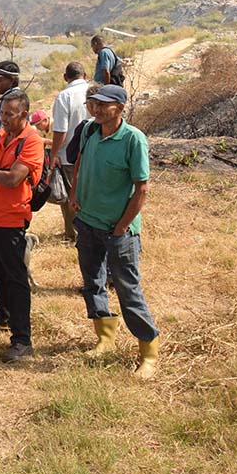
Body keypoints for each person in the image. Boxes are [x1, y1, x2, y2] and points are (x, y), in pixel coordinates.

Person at [70, 84, 160, 378]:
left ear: (120, 108)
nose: (97, 109)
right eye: (94, 103)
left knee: (127, 288)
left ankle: (148, 352)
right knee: (92, 282)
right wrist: (74, 193)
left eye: (104, 105)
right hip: (88, 223)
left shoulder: (133, 139)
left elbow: (142, 188)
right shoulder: (89, 131)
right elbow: (80, 160)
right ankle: (105, 337)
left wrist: (122, 226)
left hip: (117, 230)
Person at [0, 90, 43, 362]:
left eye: (10, 114)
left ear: (24, 115)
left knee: (16, 278)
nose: (4, 118)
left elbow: (13, 179)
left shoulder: (31, 141)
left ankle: (22, 339)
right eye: (2, 113)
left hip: (13, 217)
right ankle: (2, 317)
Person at [51, 61, 90, 243]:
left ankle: (73, 234)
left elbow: (61, 130)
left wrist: (53, 154)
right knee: (89, 192)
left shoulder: (64, 96)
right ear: (85, 75)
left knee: (70, 196)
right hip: (93, 153)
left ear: (66, 77)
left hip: (69, 155)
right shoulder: (95, 92)